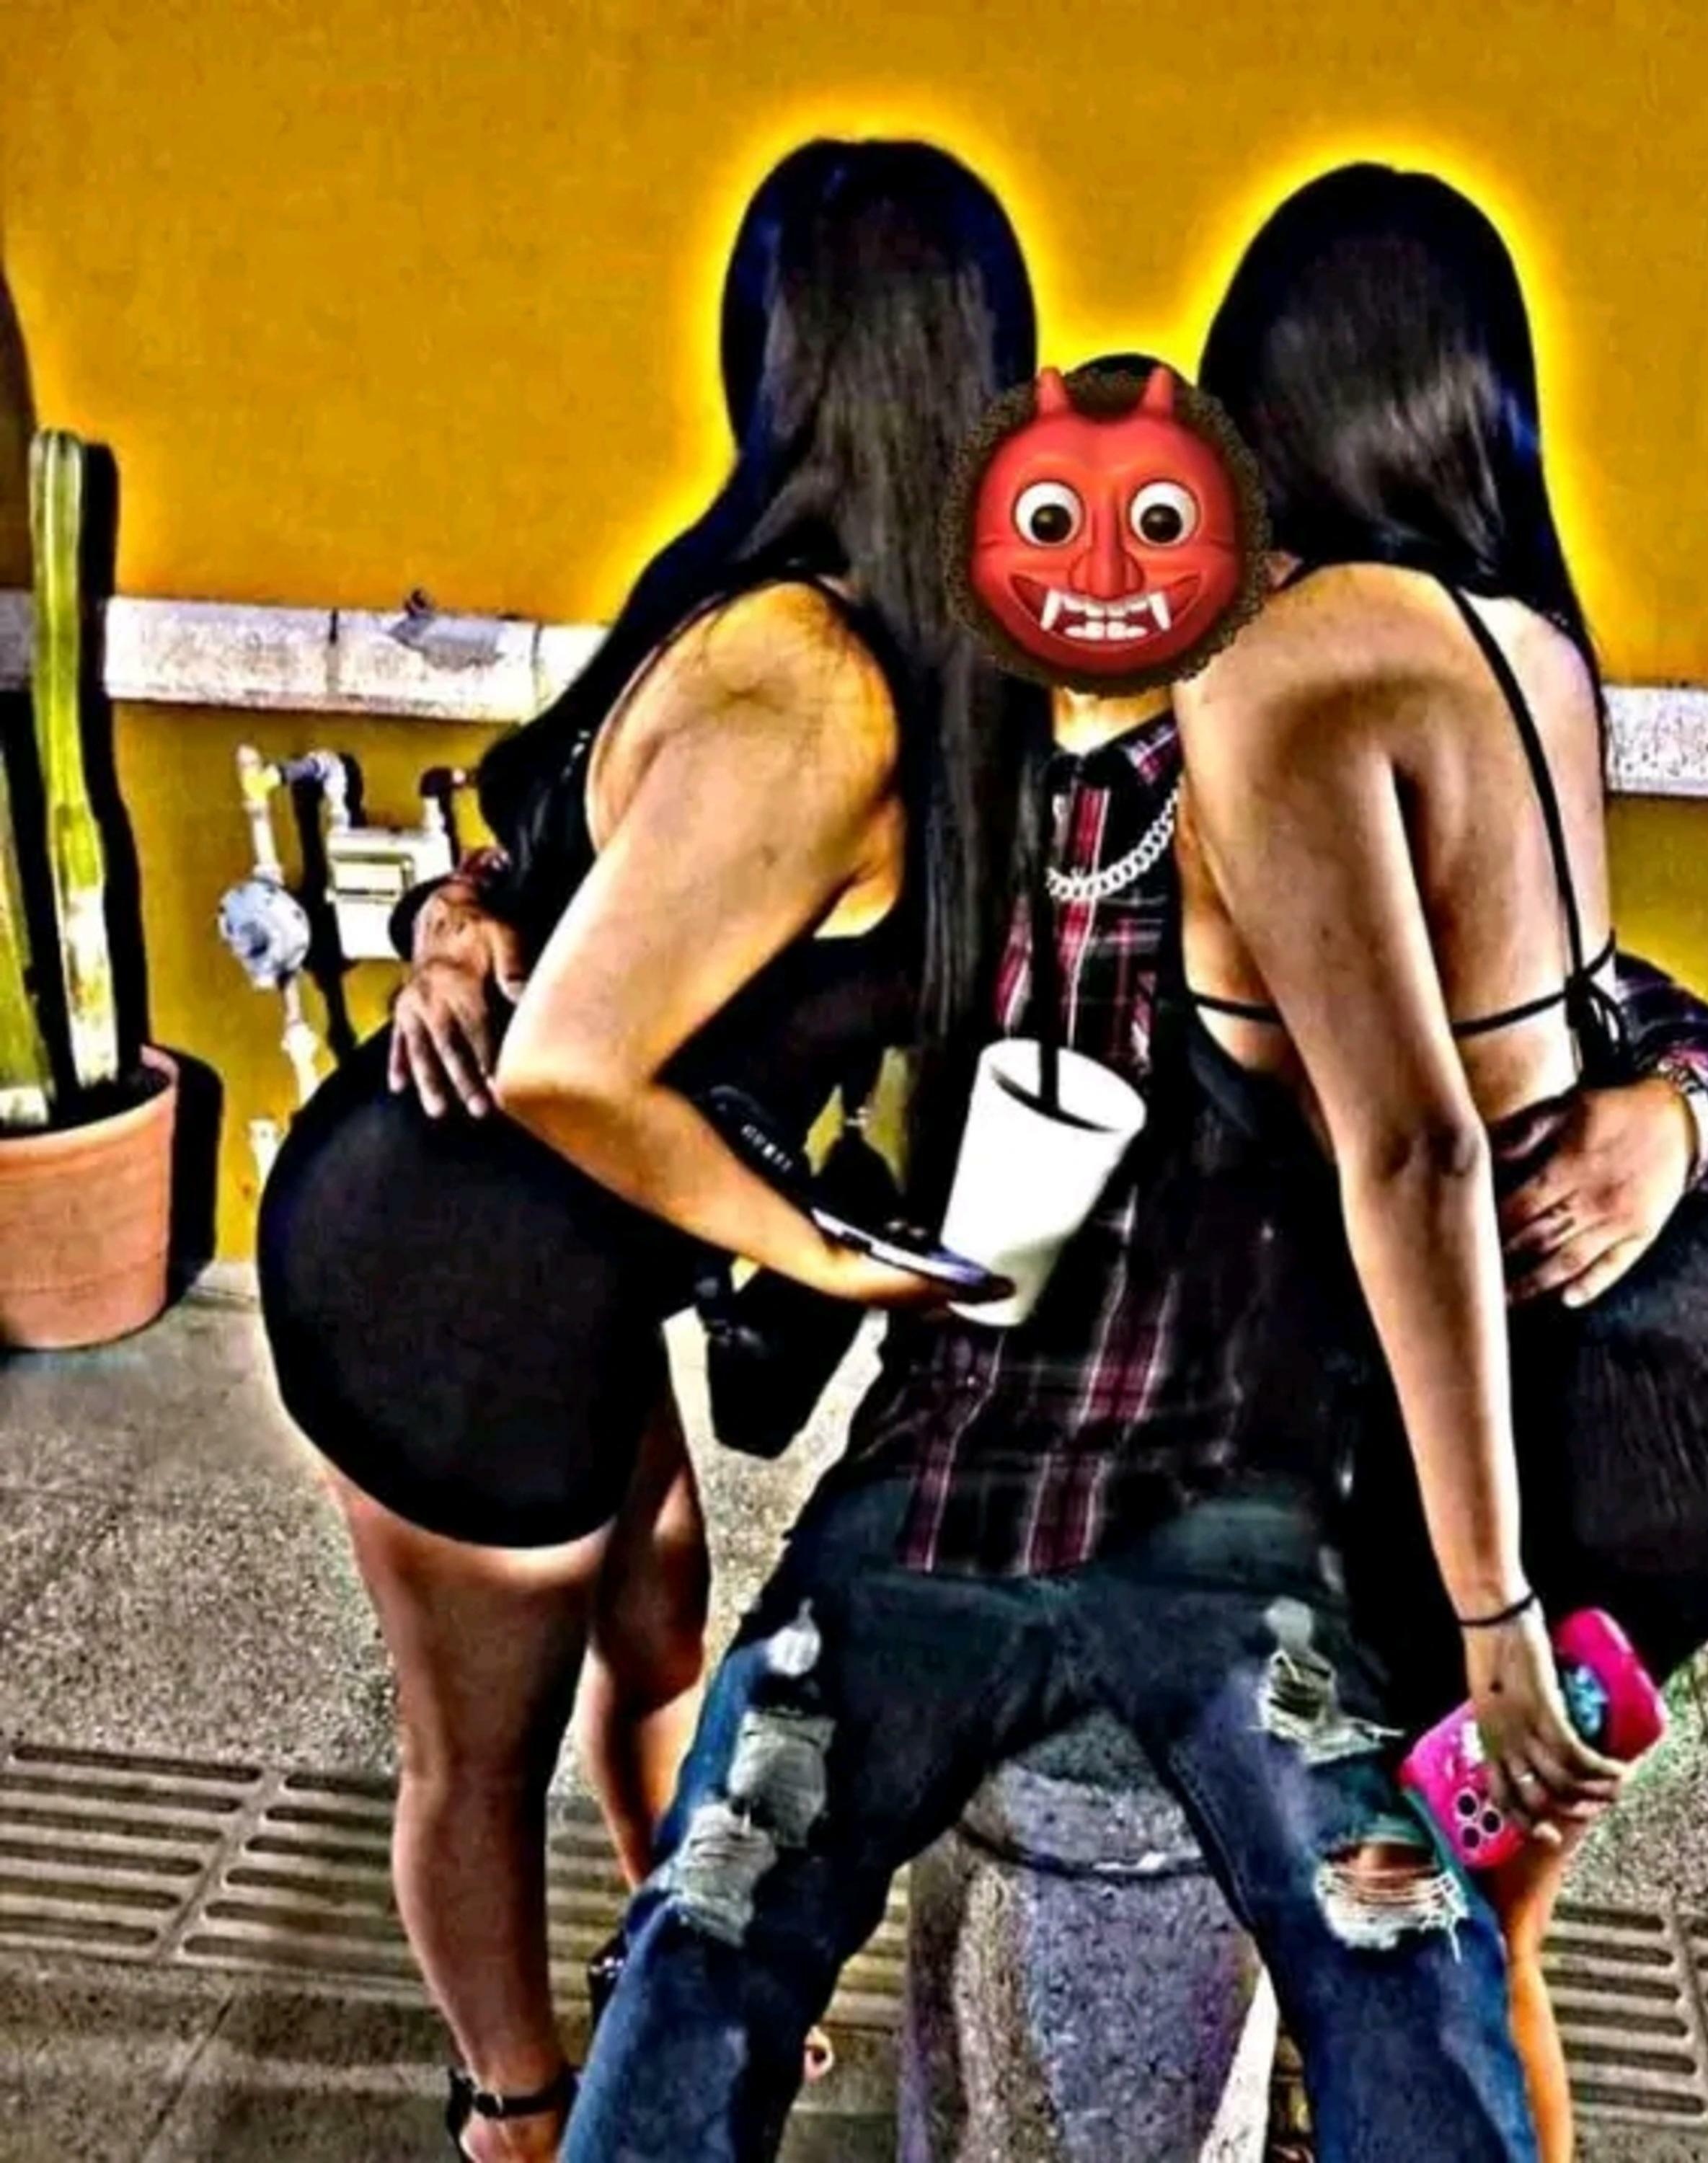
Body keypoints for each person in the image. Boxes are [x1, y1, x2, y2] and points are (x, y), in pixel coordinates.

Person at [556, 337, 1708, 2159]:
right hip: (931, 1492)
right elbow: (603, 919)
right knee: (712, 1912)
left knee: (1396, 1943)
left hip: (1226, 1510)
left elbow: (1570, 1021)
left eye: (1161, 530)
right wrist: (469, 922)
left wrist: (1689, 1112)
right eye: (1052, 530)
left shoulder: (1291, 773)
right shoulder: (924, 776)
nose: (1104, 582)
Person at [255, 137, 1038, 2163]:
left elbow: (519, 833)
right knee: (477, 1754)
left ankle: (680, 1972)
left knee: (664, 1616)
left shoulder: (798, 607)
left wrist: (460, 916)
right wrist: (827, 1251)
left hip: (570, 1257)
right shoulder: (815, 691)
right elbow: (571, 1071)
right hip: (451, 1278)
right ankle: (518, 2111)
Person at [1174, 165, 1708, 2159]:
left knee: (1408, 1958)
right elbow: (1566, 1018)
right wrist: (1700, 1115)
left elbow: (1414, 1154)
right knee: (1473, 1944)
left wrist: (1488, 1616)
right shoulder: (1528, 644)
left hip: (1528, 1439)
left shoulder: (1292, 672)